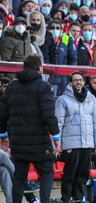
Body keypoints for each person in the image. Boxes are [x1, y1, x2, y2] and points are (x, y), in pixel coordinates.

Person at [0, 55, 61, 203]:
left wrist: (3, 135)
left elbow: (1, 114)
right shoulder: (44, 87)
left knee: (19, 176)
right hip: (39, 142)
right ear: (39, 68)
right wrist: (56, 137)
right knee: (47, 172)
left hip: (18, 141)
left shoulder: (12, 86)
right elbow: (49, 115)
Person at [55, 72, 96, 203]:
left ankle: (78, 198)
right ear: (70, 82)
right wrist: (57, 142)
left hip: (87, 142)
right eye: (75, 80)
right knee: (70, 173)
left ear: (84, 82)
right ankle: (66, 199)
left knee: (83, 172)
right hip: (70, 142)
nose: (78, 82)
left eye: (80, 80)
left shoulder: (91, 98)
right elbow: (58, 123)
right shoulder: (63, 100)